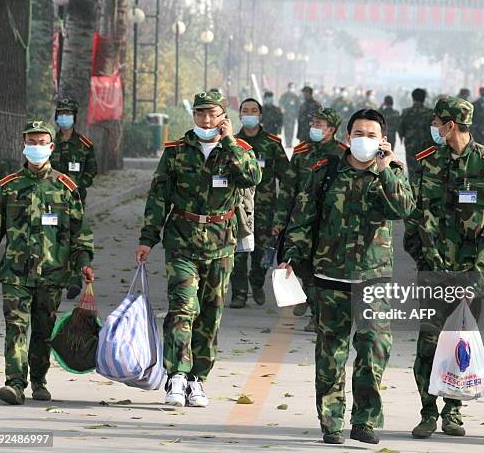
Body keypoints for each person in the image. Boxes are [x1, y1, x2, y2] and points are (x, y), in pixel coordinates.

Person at [280, 109, 415, 445]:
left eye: (371, 135)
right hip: (329, 276)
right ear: (347, 135)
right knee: (331, 354)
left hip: (373, 279)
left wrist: (386, 170)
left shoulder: (392, 173)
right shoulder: (325, 171)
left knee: (373, 350)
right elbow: (302, 216)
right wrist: (294, 259)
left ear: (382, 139)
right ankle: (331, 422)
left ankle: (365, 420)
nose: (363, 140)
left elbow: (403, 210)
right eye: (358, 133)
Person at [134, 91, 262, 408]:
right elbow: (158, 195)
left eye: (213, 114)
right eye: (200, 114)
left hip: (221, 242)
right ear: (193, 115)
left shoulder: (240, 149)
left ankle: (197, 378)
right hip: (182, 239)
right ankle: (176, 374)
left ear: (223, 115)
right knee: (181, 307)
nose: (206, 120)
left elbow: (252, 177)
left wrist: (229, 142)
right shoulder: (177, 150)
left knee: (210, 313)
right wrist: (148, 238)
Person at [403, 97, 484, 439]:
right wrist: (421, 257)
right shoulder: (426, 162)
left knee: (459, 343)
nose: (434, 127)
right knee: (429, 342)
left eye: (438, 121)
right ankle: (428, 411)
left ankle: (453, 411)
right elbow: (413, 214)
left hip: (470, 275)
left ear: (451, 124)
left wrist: (481, 272)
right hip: (433, 272)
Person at [0, 119, 95, 405]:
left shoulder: (65, 188)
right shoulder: (9, 187)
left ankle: (38, 379)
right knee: (16, 327)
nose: (36, 148)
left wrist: (83, 263)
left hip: (52, 274)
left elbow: (80, 233)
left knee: (42, 330)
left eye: (41, 143)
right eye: (31, 142)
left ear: (51, 147)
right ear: (24, 147)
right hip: (15, 275)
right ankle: (14, 383)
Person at [280, 108, 347, 332]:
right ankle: (311, 301)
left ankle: (317, 314)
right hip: (301, 218)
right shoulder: (301, 153)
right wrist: (280, 220)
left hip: (329, 221)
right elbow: (288, 188)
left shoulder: (343, 154)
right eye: (314, 123)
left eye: (320, 124)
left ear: (332, 129)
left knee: (323, 267)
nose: (314, 128)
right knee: (300, 263)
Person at [229, 98, 290, 308]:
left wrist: (286, 209)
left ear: (260, 115)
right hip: (237, 208)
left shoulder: (272, 143)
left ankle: (256, 282)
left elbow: (286, 178)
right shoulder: (232, 142)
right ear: (239, 114)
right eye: (245, 110)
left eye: (253, 111)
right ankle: (238, 293)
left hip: (265, 210)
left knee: (261, 252)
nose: (249, 114)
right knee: (237, 253)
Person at [50, 97, 98, 300]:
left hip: (75, 200)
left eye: (68, 114)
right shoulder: (49, 142)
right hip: (50, 200)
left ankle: (74, 279)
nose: (64, 117)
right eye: (61, 113)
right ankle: (54, 277)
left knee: (75, 238)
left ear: (74, 117)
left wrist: (80, 185)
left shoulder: (84, 145)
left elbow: (92, 169)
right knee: (54, 237)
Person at [397, 88, 434, 182]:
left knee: (412, 168)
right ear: (424, 98)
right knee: (426, 168)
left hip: (410, 144)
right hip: (426, 145)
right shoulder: (430, 113)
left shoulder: (406, 112)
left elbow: (400, 128)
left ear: (412, 98)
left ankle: (413, 190)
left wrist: (403, 136)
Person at [279, 83, 300, 148]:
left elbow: (298, 106)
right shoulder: (284, 96)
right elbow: (280, 103)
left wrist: (297, 115)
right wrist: (282, 109)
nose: (292, 89)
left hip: (292, 116)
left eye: (293, 87)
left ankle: (290, 142)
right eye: (291, 87)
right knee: (286, 130)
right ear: (288, 87)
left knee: (292, 130)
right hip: (285, 116)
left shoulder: (295, 96)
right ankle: (287, 143)